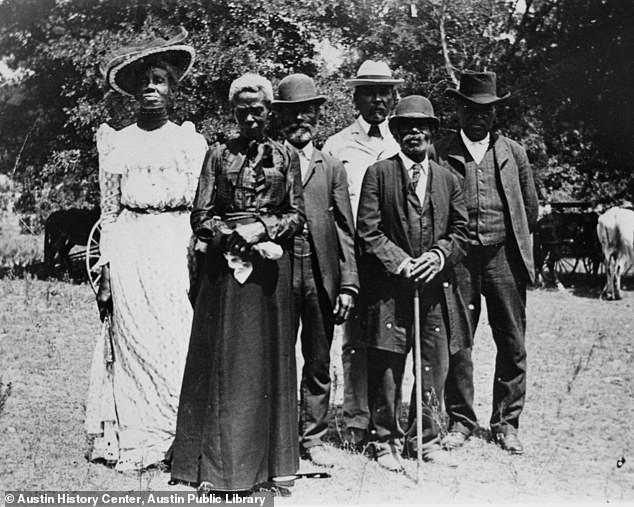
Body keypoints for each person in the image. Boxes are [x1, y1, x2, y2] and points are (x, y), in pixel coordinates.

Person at [170, 73, 305, 497]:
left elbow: (297, 215)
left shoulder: (286, 157)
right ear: (234, 112)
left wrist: (263, 229)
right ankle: (215, 467)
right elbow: (200, 214)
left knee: (266, 364)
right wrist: (233, 236)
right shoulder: (216, 155)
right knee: (223, 364)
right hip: (224, 275)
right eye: (243, 110)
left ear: (269, 112)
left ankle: (268, 468)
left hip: (269, 277)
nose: (250, 116)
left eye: (258, 109)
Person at [85, 28, 208, 471]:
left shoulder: (190, 143)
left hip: (176, 247)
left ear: (173, 89)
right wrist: (107, 266)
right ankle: (138, 437)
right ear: (134, 93)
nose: (151, 89)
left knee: (175, 339)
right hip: (133, 246)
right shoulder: (117, 142)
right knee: (135, 339)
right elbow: (111, 211)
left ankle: (177, 435)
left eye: (160, 80)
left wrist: (199, 256)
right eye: (144, 83)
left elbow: (201, 209)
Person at [356, 95, 470, 471]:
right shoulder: (380, 173)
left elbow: (461, 232)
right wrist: (402, 262)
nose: (414, 133)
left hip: (434, 290)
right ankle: (383, 439)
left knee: (432, 365)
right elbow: (368, 233)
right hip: (390, 289)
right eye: (406, 127)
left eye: (422, 127)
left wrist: (437, 256)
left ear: (433, 133)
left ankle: (426, 438)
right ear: (396, 132)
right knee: (388, 362)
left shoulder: (449, 179)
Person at [433, 71, 538, 455]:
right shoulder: (440, 151)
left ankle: (506, 423)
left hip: (503, 257)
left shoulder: (514, 153)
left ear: (495, 113)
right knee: (458, 341)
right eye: (470, 108)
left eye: (486, 110)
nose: (478, 116)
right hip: (458, 261)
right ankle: (460, 420)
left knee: (512, 341)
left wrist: (510, 242)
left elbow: (530, 208)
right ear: (459, 109)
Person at [272, 74, 358, 467]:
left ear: (318, 116)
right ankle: (278, 434)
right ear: (280, 118)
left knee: (318, 359)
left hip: (321, 272)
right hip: (279, 272)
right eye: (292, 114)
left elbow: (345, 228)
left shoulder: (332, 166)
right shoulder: (268, 159)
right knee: (278, 355)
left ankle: (314, 436)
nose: (300, 120)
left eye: (307, 112)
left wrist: (348, 285)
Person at [322, 60, 402, 449]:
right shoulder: (336, 146)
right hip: (352, 256)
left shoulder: (404, 141)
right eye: (369, 92)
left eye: (384, 92)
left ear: (393, 97)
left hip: (392, 258)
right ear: (355, 97)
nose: (378, 100)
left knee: (389, 341)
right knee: (354, 340)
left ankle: (389, 419)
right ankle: (355, 421)